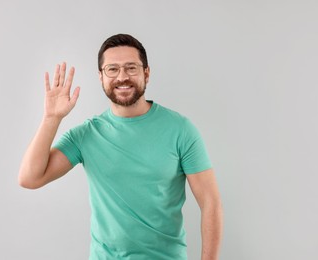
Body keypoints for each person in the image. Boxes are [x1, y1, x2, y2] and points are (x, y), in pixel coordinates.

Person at [18, 34, 223, 260]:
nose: (122, 77)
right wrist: (51, 118)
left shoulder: (181, 130)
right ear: (101, 77)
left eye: (131, 68)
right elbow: (30, 178)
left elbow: (210, 203)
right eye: (112, 69)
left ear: (146, 73)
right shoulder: (86, 135)